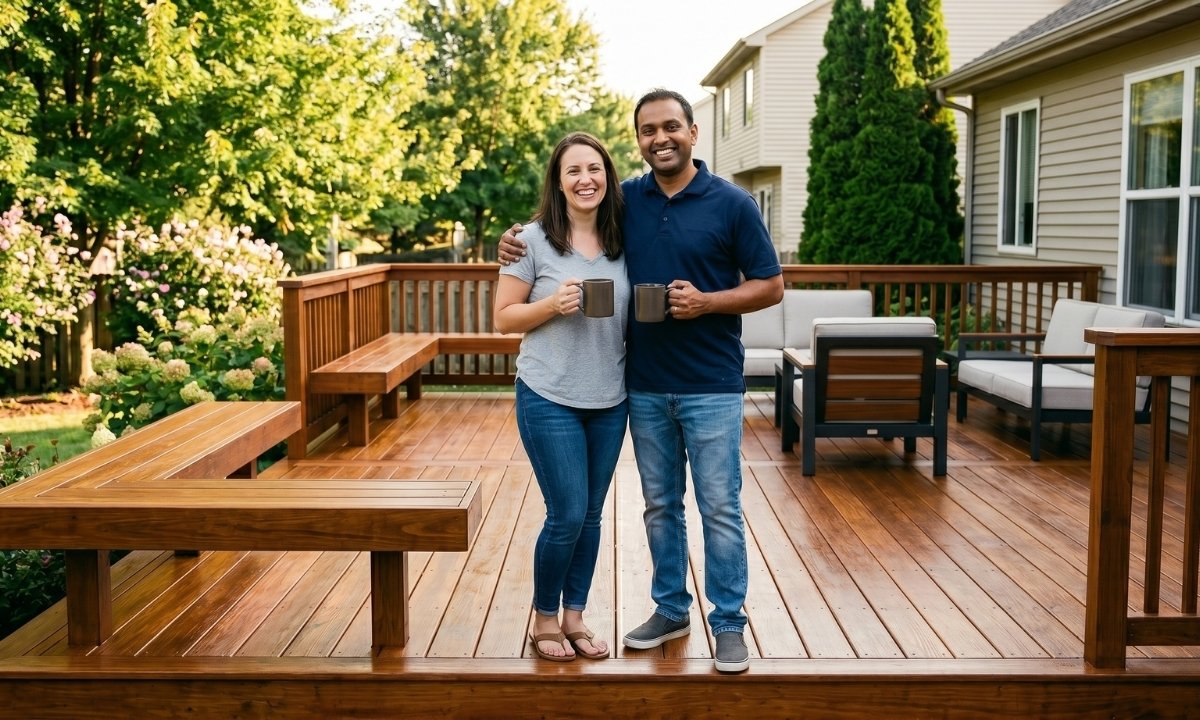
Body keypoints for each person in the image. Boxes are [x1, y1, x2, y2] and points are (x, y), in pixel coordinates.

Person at [499, 90, 783, 673]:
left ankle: (728, 624)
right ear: (638, 142)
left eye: (671, 127)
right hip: (644, 386)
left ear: (693, 132)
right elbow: (565, 217)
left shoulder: (732, 203)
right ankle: (671, 608)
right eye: (649, 130)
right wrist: (512, 241)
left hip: (710, 384)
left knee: (719, 508)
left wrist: (708, 302)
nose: (661, 138)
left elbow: (771, 285)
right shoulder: (626, 200)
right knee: (658, 507)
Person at [493, 131, 630, 663]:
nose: (584, 179)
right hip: (548, 395)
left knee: (592, 515)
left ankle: (575, 617)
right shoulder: (529, 241)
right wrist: (551, 304)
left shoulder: (625, 239)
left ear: (607, 176)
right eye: (572, 170)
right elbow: (503, 319)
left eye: (593, 168)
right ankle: (543, 618)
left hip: (610, 398)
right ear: (557, 181)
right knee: (567, 513)